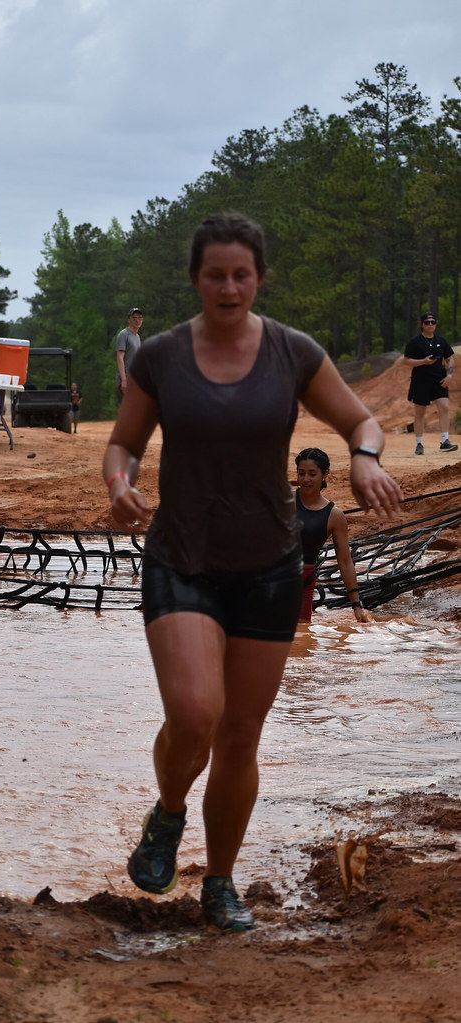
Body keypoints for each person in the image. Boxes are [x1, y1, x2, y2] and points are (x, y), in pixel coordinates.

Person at [102, 211, 401, 933]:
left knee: (240, 735)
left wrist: (364, 456)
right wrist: (119, 485)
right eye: (215, 274)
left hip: (268, 563)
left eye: (242, 274)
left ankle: (221, 882)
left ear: (259, 277)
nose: (229, 287)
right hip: (183, 557)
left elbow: (363, 423)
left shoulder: (293, 353)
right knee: (195, 713)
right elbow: (123, 444)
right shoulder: (163, 357)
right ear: (196, 279)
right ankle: (169, 813)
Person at [295, 447, 374, 624]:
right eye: (301, 473)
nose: (305, 479)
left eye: (312, 474)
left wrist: (356, 606)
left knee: (302, 641)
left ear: (325, 474)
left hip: (304, 583)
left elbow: (345, 561)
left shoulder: (334, 516)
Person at [403, 313, 457, 455]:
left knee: (444, 407)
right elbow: (406, 361)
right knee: (420, 413)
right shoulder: (415, 342)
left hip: (439, 379)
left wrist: (450, 374)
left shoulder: (441, 341)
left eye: (433, 322)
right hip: (420, 381)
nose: (430, 324)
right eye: (427, 322)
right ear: (421, 324)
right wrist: (423, 362)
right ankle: (419, 444)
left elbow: (450, 358)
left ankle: (445, 441)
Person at [115, 308, 144, 403]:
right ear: (129, 320)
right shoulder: (124, 334)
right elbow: (120, 357)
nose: (137, 320)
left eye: (139, 318)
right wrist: (123, 380)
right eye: (134, 318)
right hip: (127, 378)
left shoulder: (137, 337)